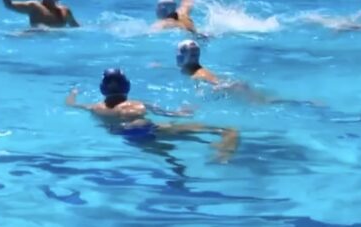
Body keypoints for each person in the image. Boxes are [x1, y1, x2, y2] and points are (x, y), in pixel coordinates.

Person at [66, 69, 239, 162]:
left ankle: (180, 171)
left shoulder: (95, 108)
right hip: (148, 129)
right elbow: (168, 113)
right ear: (127, 86)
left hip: (126, 136)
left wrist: (73, 93)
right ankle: (225, 150)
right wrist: (183, 113)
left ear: (102, 88)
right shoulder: (137, 104)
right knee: (222, 130)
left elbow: (71, 105)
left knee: (168, 156)